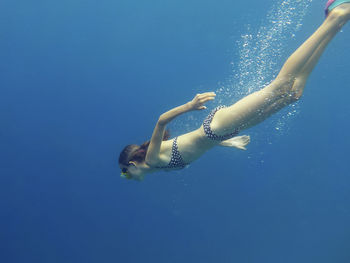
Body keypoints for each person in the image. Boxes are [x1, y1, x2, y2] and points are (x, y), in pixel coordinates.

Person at [119, 0, 350, 181]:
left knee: (279, 85)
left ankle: (334, 18)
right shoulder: (159, 164)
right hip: (221, 133)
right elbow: (194, 144)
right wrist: (228, 143)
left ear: (131, 165)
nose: (128, 178)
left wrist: (189, 106)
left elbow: (161, 121)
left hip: (217, 126)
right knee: (291, 95)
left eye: (125, 174)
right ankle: (337, 23)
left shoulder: (152, 159)